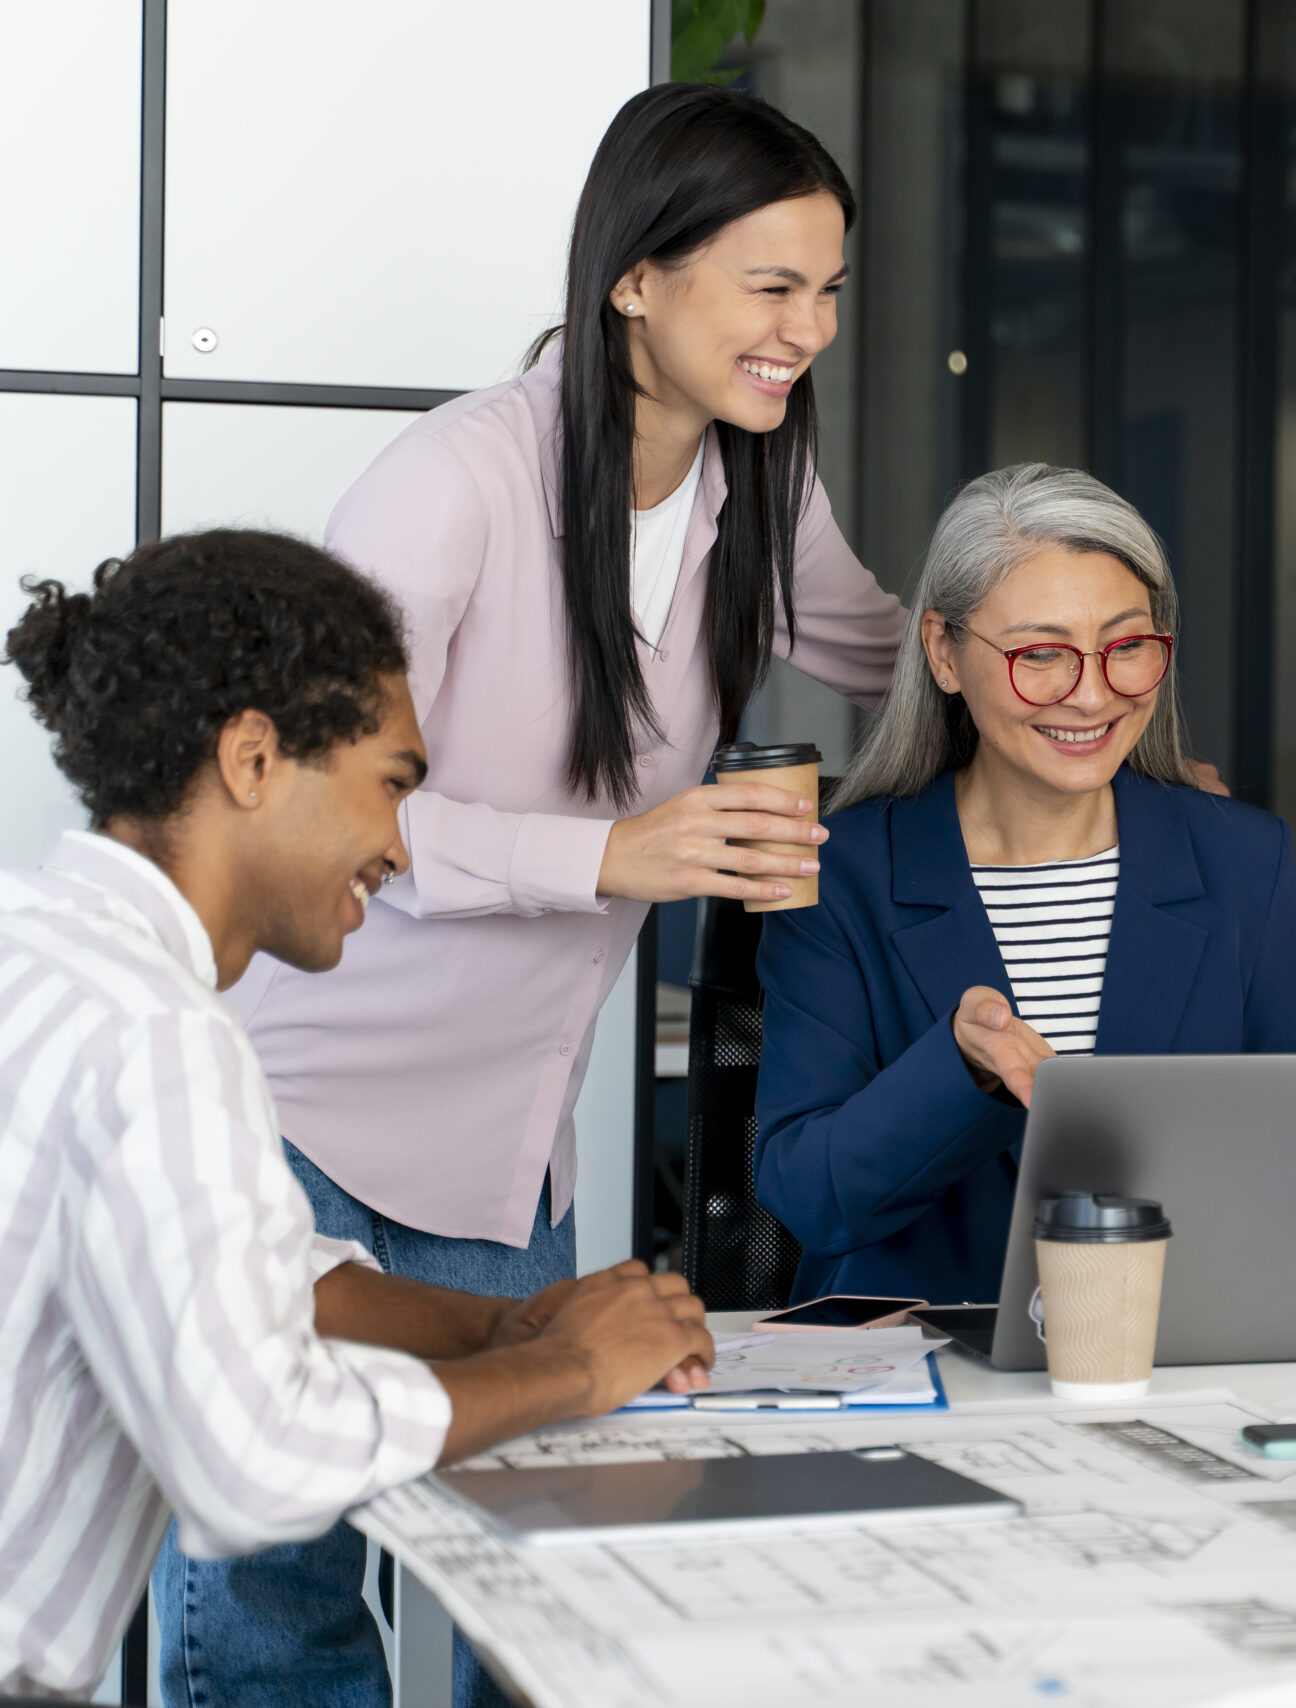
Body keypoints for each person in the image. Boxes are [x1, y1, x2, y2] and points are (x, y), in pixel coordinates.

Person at [171, 86, 905, 1706]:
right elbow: (318, 810)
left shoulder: (757, 492)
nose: (808, 330)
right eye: (771, 286)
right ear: (636, 276)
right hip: (292, 1114)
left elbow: (891, 650)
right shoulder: (454, 480)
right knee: (277, 1607)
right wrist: (613, 855)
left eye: (829, 290)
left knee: (533, 1587)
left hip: (504, 1149)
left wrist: (1066, 673)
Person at [0, 533, 715, 1699]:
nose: (397, 844)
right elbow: (255, 1457)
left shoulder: (38, 944)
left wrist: (508, 1326)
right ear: (252, 759)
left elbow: (262, 1277)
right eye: (390, 783)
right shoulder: (158, 1035)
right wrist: (572, 1369)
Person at [754, 465, 1296, 1303]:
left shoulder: (1246, 862)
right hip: (920, 1348)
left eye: (1126, 647)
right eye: (1043, 655)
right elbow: (808, 1195)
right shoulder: (841, 872)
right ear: (944, 653)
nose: (1092, 696)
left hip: (1171, 1342)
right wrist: (960, 1071)